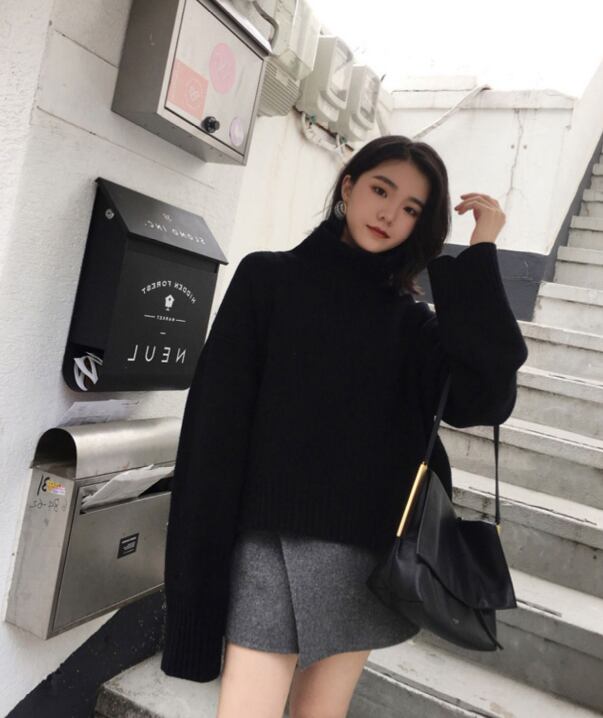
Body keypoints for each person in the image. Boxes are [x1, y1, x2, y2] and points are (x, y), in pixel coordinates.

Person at [160, 135, 529, 718]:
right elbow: (213, 433)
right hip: (267, 545)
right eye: (381, 190)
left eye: (411, 208)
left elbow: (487, 398)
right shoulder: (268, 280)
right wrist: (196, 580)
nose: (389, 214)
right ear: (349, 186)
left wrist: (481, 254)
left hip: (365, 558)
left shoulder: (412, 324)